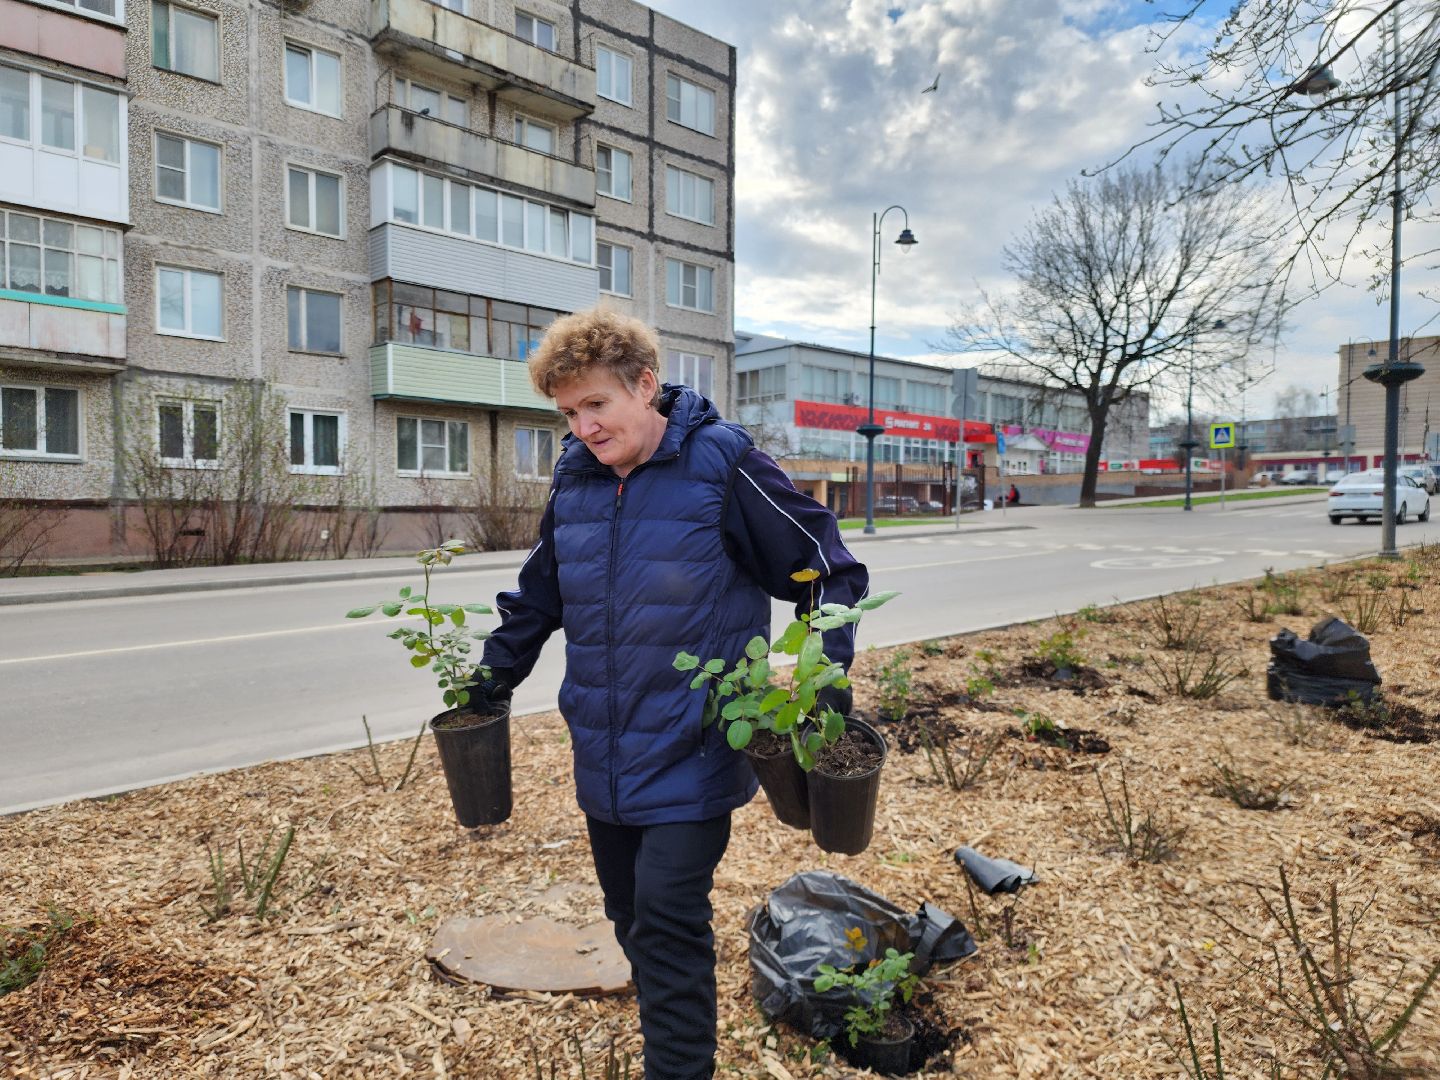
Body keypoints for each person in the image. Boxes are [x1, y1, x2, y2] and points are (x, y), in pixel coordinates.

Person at [471, 308, 868, 1080]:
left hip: (695, 748)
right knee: (631, 919)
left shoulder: (723, 466)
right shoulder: (579, 482)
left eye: (596, 405)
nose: (583, 426)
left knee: (666, 918)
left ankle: (678, 1067)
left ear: (644, 386)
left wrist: (822, 679)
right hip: (604, 753)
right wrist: (488, 683)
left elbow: (829, 569)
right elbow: (539, 598)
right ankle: (673, 1032)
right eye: (568, 412)